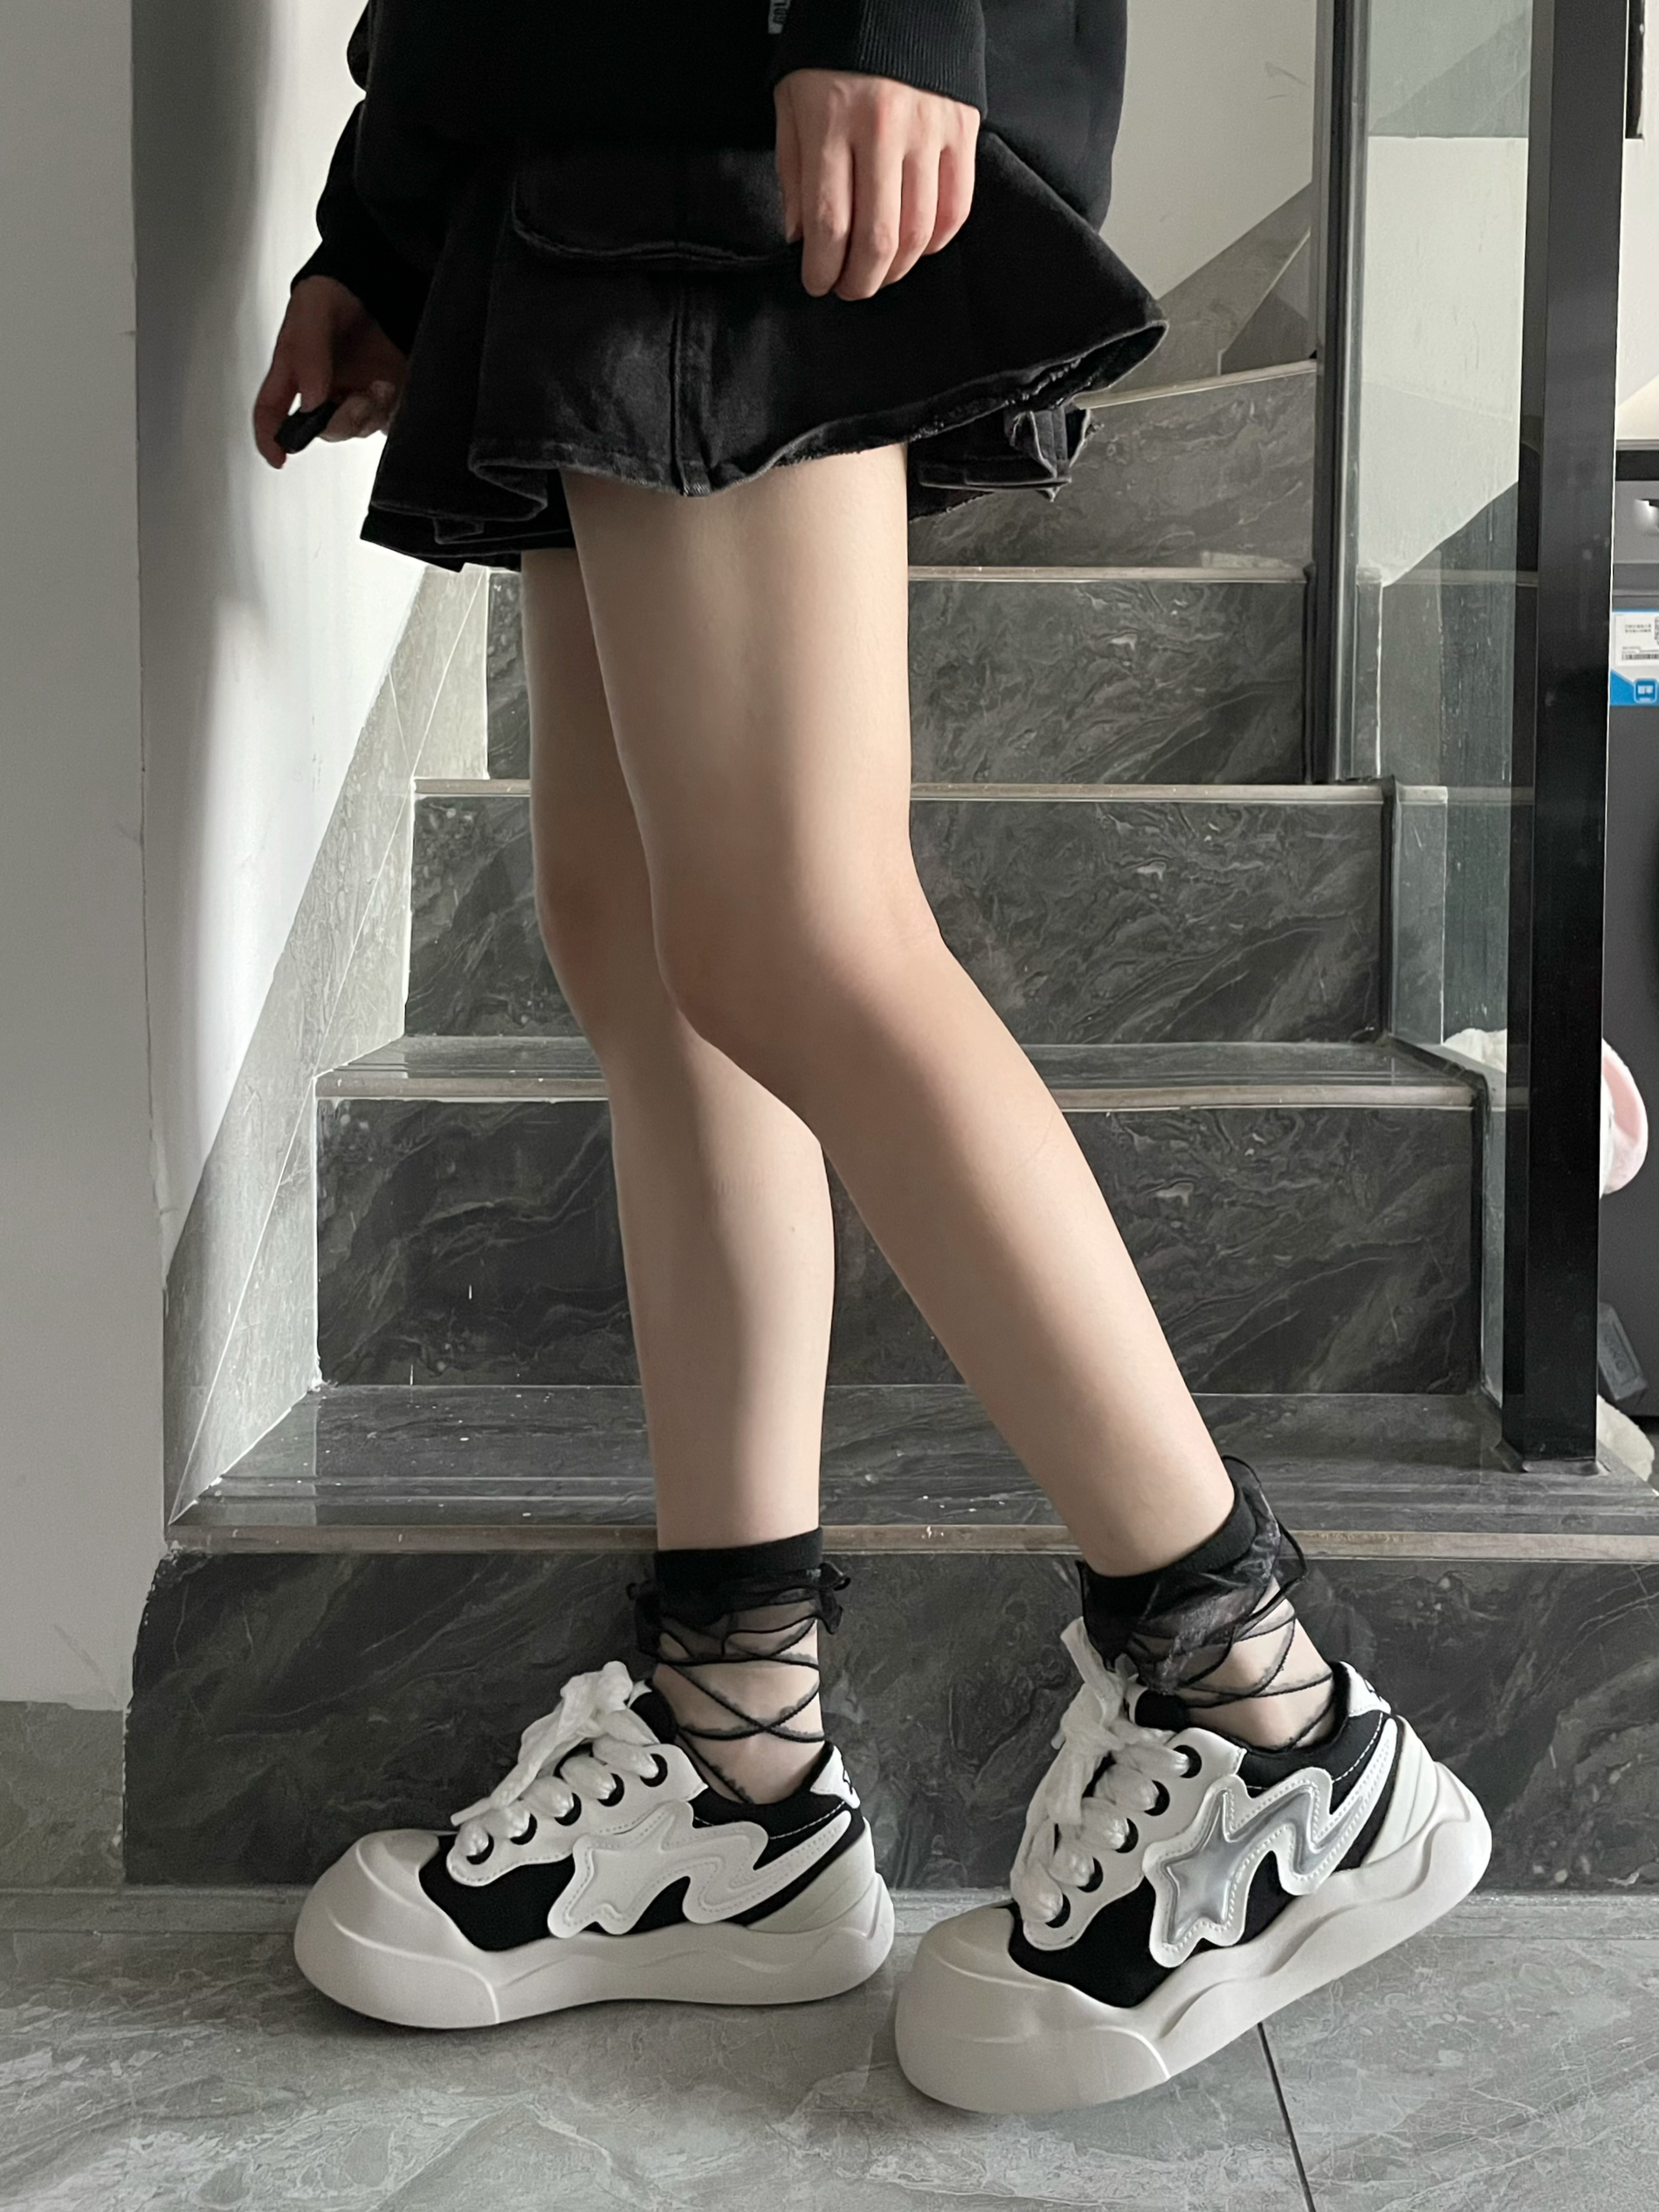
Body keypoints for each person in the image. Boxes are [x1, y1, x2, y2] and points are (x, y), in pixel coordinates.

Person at [255, 0, 1490, 2112]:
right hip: (578, 133)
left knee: (791, 925)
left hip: (730, 99)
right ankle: (730, 1756)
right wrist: (385, 221)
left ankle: (1263, 1716)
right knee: (641, 941)